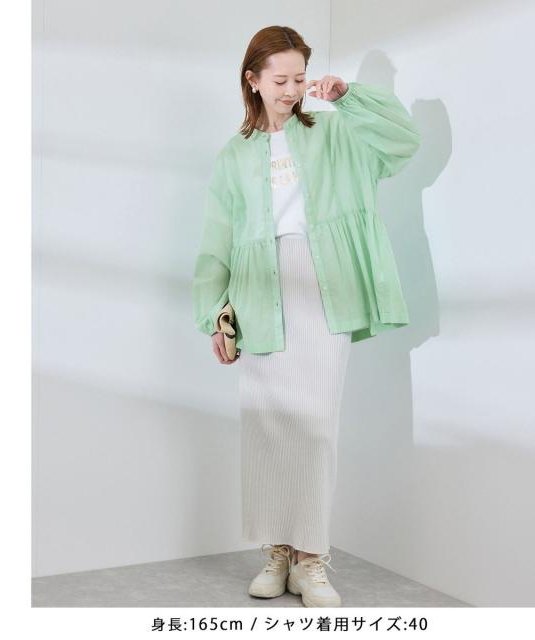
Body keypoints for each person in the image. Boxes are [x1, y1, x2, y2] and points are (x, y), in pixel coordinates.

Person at [191, 26, 421, 608]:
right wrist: (216, 313)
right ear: (253, 80)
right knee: (268, 426)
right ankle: (277, 552)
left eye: (299, 78)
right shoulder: (233, 155)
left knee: (315, 426)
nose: (292, 90)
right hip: (256, 292)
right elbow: (216, 242)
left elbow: (402, 143)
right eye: (280, 79)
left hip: (322, 283)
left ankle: (311, 559)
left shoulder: (335, 132)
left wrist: (349, 97)